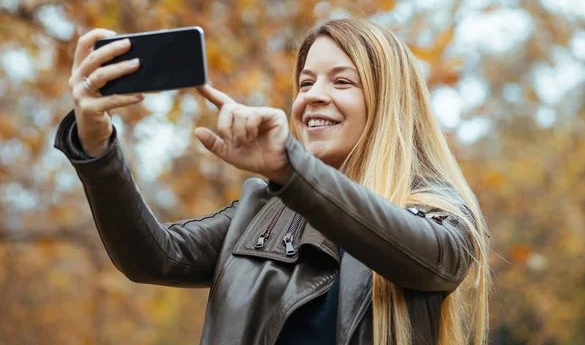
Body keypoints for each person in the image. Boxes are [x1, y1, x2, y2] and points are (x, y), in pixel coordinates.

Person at [54, 18, 491, 344]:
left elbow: (425, 257)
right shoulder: (266, 209)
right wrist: (97, 143)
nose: (313, 95)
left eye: (342, 81)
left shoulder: (441, 213)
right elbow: (154, 256)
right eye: (305, 82)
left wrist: (290, 168)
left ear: (388, 102)